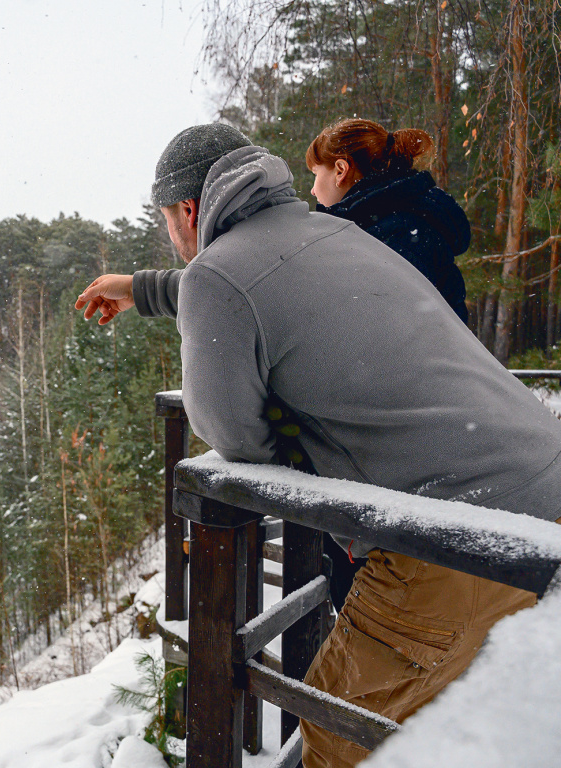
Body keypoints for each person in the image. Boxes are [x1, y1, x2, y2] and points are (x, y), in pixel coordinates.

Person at [74, 123, 561, 768]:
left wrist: (293, 439)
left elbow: (230, 432)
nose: (170, 235)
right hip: (541, 496)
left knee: (335, 732)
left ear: (189, 209)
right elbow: (246, 285)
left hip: (458, 535)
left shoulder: (218, 272)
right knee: (444, 727)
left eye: (166, 219)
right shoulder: (334, 231)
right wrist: (140, 288)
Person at [306, 118, 470, 323]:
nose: (313, 190)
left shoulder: (391, 235)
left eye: (315, 174)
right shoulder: (397, 221)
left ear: (340, 170)